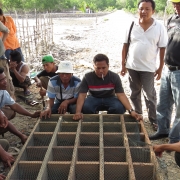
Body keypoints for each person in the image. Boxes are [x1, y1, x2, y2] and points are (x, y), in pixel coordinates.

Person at [120, 0, 168, 130]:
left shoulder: (159, 27)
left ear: (153, 11)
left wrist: (160, 68)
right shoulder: (131, 25)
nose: (144, 12)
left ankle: (154, 119)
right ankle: (138, 115)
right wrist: (123, 65)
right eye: (141, 8)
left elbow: (162, 48)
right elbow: (125, 46)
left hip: (148, 68)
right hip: (132, 66)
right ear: (138, 10)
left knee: (149, 94)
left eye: (147, 9)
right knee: (134, 93)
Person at [73, 53, 142, 121]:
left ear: (108, 66)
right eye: (98, 68)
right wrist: (78, 112)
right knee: (86, 107)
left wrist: (131, 111)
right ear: (94, 66)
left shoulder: (114, 77)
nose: (101, 71)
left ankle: (110, 120)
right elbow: (82, 95)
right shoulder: (87, 77)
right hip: (93, 97)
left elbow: (121, 95)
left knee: (119, 108)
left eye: (103, 68)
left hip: (110, 97)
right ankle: (93, 120)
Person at [149, 0, 180, 143]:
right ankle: (163, 130)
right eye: (174, 4)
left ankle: (175, 139)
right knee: (164, 103)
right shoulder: (172, 19)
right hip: (168, 69)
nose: (176, 7)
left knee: (179, 108)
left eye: (179, 4)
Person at [0, 67, 40, 144]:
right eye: (1, 80)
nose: (5, 82)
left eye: (4, 78)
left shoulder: (3, 92)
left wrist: (31, 115)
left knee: (10, 112)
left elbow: (14, 106)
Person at [0, 16, 15, 100]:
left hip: (0, 57)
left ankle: (10, 98)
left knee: (5, 77)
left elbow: (6, 31)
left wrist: (2, 42)